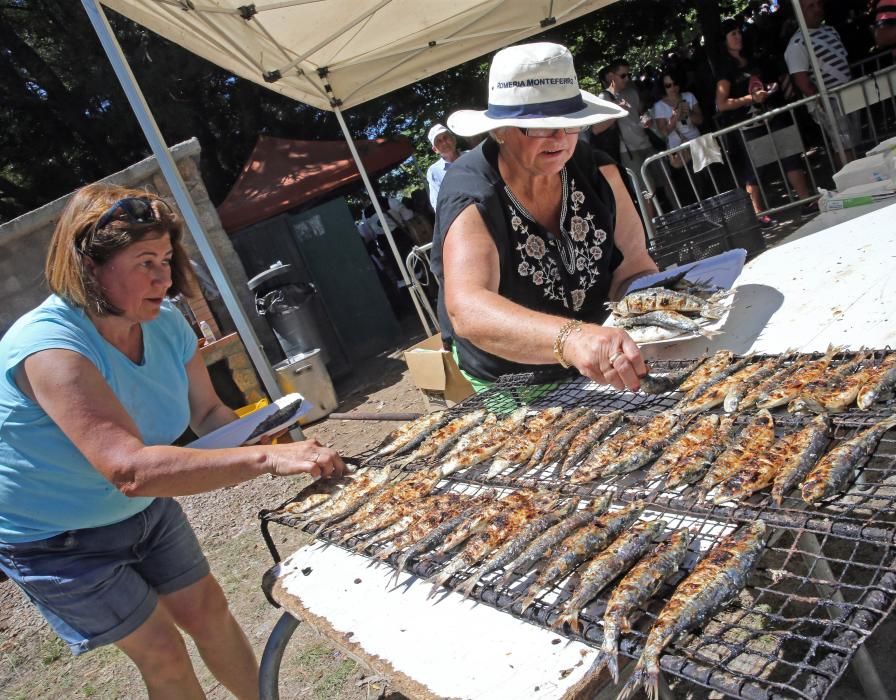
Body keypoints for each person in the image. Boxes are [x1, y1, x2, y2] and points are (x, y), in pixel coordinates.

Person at [0, 184, 345, 699]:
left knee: (209, 614)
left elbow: (206, 412)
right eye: (144, 262)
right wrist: (267, 458)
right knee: (162, 651)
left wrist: (251, 433)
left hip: (143, 511)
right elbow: (129, 470)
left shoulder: (165, 326)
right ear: (89, 265)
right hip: (56, 538)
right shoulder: (50, 347)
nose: (164, 276)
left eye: (165, 258)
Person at [431, 42, 659, 393]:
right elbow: (468, 309)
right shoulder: (470, 191)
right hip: (512, 377)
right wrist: (570, 339)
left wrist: (651, 307)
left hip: (599, 353)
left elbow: (634, 267)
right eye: (540, 126)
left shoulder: (598, 171)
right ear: (500, 130)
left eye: (570, 124)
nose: (559, 138)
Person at [714, 17, 812, 227]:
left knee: (791, 156)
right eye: (733, 34)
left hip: (771, 115)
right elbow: (721, 103)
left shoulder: (753, 58)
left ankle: (807, 201)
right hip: (748, 126)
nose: (738, 36)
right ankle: (759, 215)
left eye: (739, 32)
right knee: (754, 171)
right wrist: (751, 99)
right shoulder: (725, 69)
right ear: (724, 41)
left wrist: (767, 91)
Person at [784, 0, 858, 164]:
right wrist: (821, 101)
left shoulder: (830, 30)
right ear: (800, 12)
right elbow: (802, 80)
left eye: (819, 4)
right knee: (843, 144)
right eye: (811, 6)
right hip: (829, 100)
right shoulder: (797, 43)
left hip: (848, 95)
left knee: (853, 140)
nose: (817, 9)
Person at [425, 123, 462, 210]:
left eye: (446, 137)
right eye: (439, 141)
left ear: (453, 139)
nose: (444, 142)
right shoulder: (434, 171)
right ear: (435, 149)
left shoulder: (472, 156)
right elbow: (438, 204)